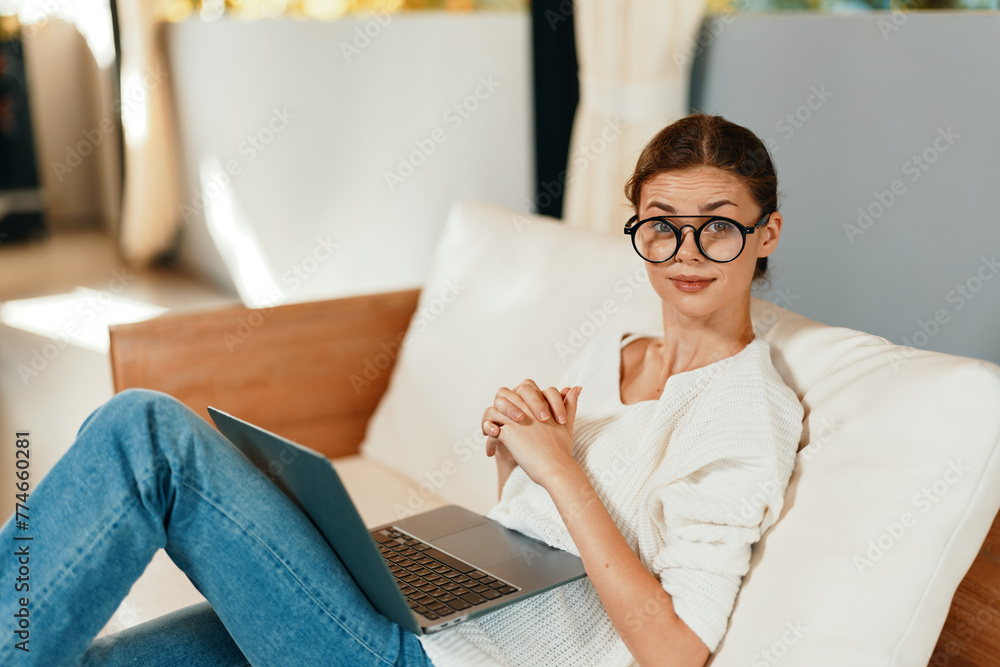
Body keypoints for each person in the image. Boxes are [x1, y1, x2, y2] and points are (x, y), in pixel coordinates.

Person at [0, 114, 802, 667]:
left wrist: (559, 466)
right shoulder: (614, 350)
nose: (687, 251)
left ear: (765, 233)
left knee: (146, 434)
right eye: (663, 222)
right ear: (637, 227)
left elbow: (677, 649)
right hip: (428, 610)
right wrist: (514, 454)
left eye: (719, 224)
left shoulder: (745, 417)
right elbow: (533, 531)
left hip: (437, 659)